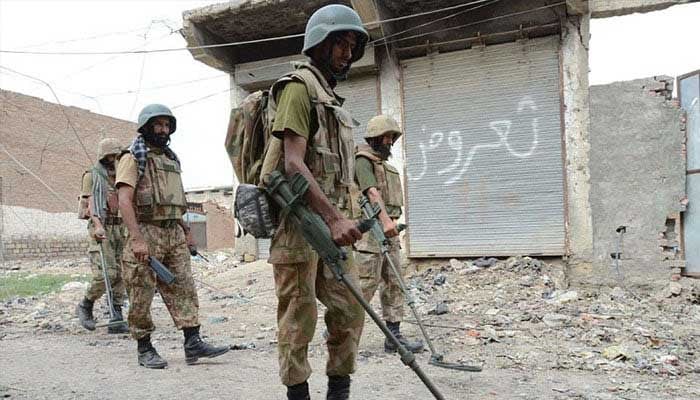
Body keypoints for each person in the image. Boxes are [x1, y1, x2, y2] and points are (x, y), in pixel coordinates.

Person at [267, 4, 369, 400]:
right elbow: (293, 165)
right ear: (318, 45)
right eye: (338, 43)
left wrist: (346, 216)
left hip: (332, 224)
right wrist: (333, 218)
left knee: (349, 309)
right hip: (299, 227)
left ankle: (338, 392)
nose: (346, 52)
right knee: (298, 318)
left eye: (350, 45)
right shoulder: (298, 88)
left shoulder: (331, 99)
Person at [115, 104, 229, 369]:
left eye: (167, 125)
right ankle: (144, 347)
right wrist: (137, 239)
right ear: (146, 127)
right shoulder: (132, 158)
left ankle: (193, 342)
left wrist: (187, 232)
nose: (163, 130)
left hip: (173, 232)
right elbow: (124, 201)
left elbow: (175, 200)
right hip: (146, 230)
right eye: (158, 124)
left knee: (183, 286)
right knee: (141, 291)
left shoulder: (171, 159)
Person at [354, 115, 424, 353]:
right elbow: (372, 193)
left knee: (395, 283)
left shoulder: (386, 166)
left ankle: (393, 337)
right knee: (365, 284)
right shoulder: (363, 161)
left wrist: (391, 226)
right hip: (371, 232)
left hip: (390, 231)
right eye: (385, 137)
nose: (389, 141)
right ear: (374, 138)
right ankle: (342, 331)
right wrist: (384, 222)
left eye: (392, 137)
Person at [76, 138, 129, 334]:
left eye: (117, 155)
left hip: (120, 227)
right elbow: (90, 203)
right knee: (105, 273)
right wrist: (98, 226)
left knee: (121, 273)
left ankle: (116, 315)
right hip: (101, 225)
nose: (114, 159)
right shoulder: (93, 175)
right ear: (104, 156)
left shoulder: (122, 175)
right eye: (111, 156)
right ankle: (86, 304)